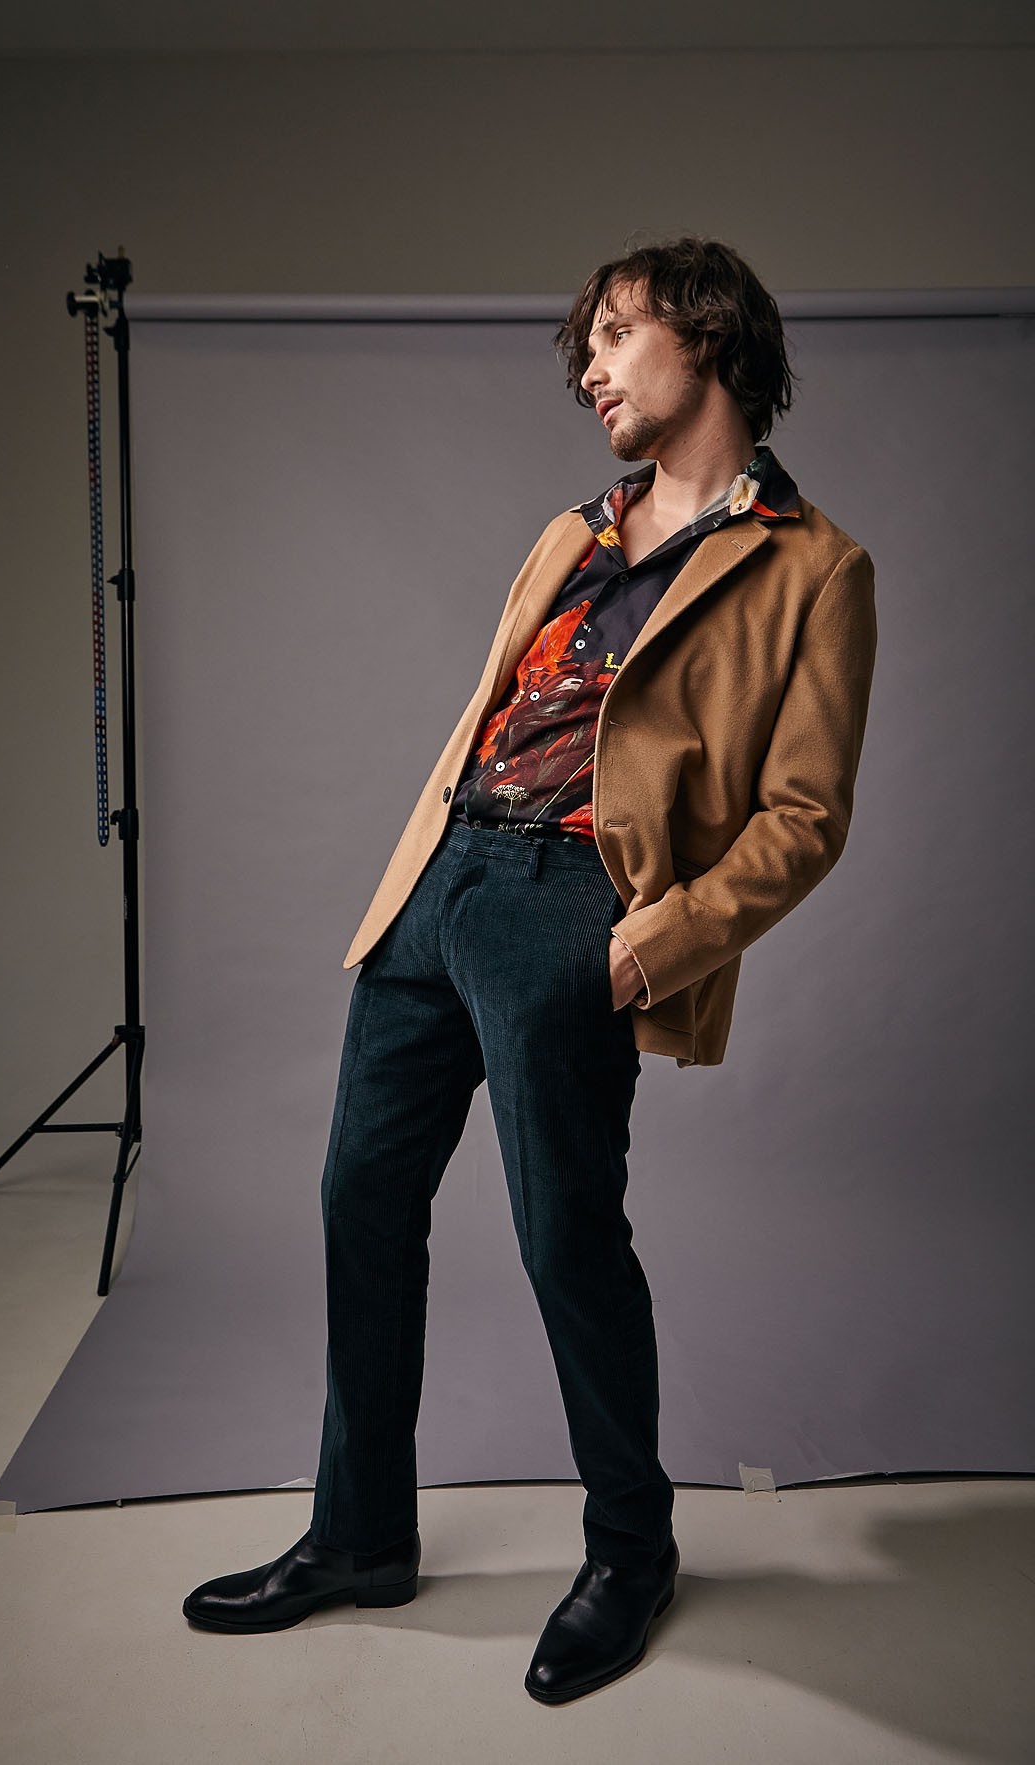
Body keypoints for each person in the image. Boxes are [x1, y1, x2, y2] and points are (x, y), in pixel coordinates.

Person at [182, 236, 878, 1704]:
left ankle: (630, 1549)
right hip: (439, 884)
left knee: (565, 1234)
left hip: (573, 912)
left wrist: (644, 947)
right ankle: (359, 1534)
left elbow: (804, 819)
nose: (590, 372)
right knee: (361, 1198)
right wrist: (421, 870)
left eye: (616, 337)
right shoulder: (574, 529)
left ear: (707, 338)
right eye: (588, 349)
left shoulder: (813, 566)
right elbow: (497, 704)